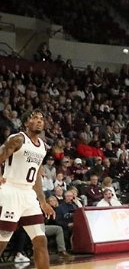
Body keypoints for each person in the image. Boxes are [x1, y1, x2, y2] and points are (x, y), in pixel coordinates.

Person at [0, 110, 55, 269]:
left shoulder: (43, 147)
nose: (39, 121)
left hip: (28, 195)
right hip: (10, 191)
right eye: (35, 118)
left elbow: (37, 176)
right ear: (26, 123)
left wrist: (43, 202)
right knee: (2, 240)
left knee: (40, 240)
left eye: (41, 119)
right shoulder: (17, 139)